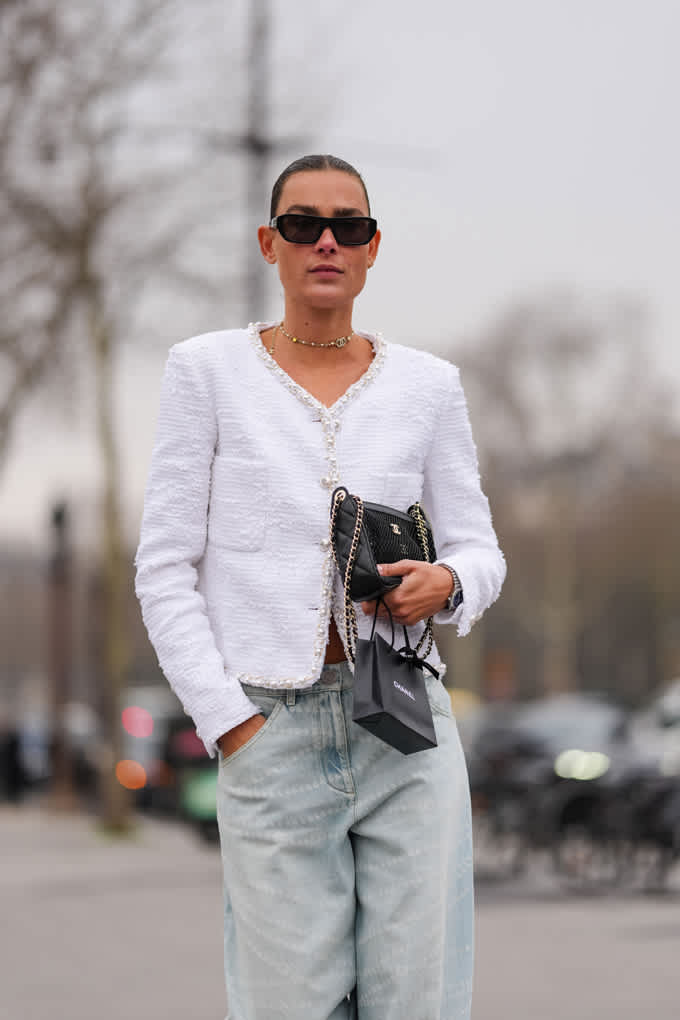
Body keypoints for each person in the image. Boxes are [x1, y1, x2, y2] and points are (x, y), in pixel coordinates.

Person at [135, 154, 505, 1020]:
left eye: (350, 227)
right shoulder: (207, 372)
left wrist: (447, 581)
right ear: (271, 244)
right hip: (270, 731)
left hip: (407, 729)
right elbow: (162, 569)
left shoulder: (429, 387)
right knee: (287, 1006)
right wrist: (231, 725)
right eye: (303, 225)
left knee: (419, 999)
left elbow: (481, 550)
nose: (327, 241)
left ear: (375, 249)